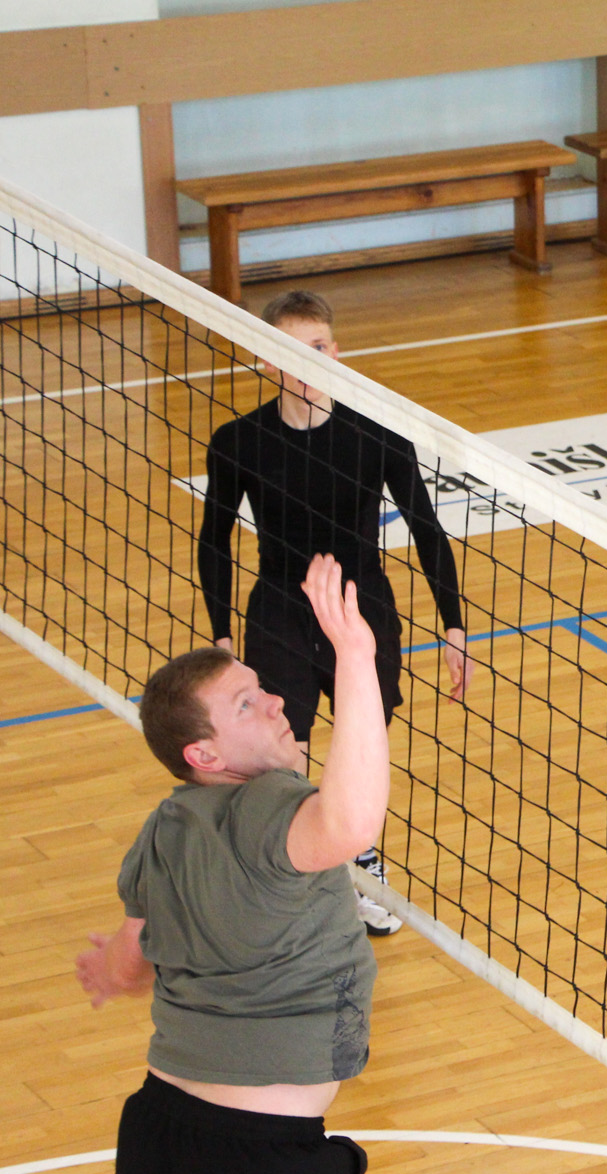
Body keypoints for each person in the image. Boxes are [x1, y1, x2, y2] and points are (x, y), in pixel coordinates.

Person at [77, 554, 388, 1174]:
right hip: (264, 1170)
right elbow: (353, 821)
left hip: (159, 1143)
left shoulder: (167, 827)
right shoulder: (270, 809)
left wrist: (112, 971)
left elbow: (133, 955)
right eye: (248, 703)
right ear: (206, 755)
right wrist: (355, 657)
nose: (278, 700)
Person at [197, 289, 474, 934]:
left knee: (360, 750)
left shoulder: (377, 431)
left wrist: (453, 625)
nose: (307, 362)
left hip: (362, 610)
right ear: (266, 358)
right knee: (281, 754)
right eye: (290, 350)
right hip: (280, 611)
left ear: (336, 351)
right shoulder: (239, 441)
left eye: (317, 347)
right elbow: (215, 539)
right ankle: (302, 877)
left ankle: (360, 864)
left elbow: (427, 529)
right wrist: (221, 634)